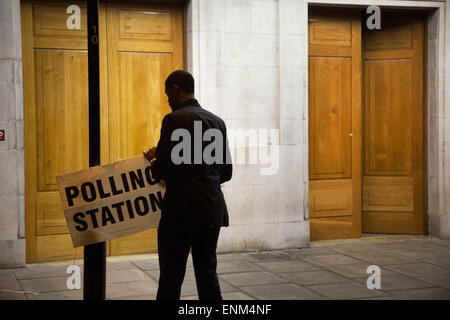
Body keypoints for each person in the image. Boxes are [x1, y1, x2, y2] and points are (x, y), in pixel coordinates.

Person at [143, 70, 232, 300]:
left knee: (171, 276)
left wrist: (154, 160)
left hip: (180, 211)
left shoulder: (173, 120)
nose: (168, 100)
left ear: (175, 88)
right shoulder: (217, 121)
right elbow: (226, 173)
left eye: (167, 94)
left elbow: (162, 170)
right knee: (207, 275)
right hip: (211, 209)